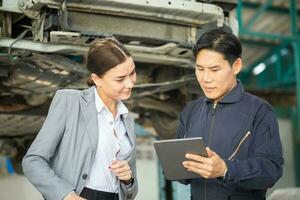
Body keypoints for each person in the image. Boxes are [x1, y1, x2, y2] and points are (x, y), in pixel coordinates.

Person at [22, 38, 138, 200]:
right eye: (120, 79)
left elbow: (131, 192)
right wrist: (67, 196)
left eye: (132, 73)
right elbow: (33, 161)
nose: (130, 83)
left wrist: (128, 179)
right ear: (97, 79)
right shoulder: (70, 102)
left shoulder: (127, 120)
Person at [177, 29, 283, 200]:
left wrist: (225, 170)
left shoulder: (259, 111)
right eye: (199, 69)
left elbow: (271, 170)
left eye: (214, 69)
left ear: (236, 66)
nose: (205, 78)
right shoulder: (190, 112)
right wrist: (178, 167)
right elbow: (182, 176)